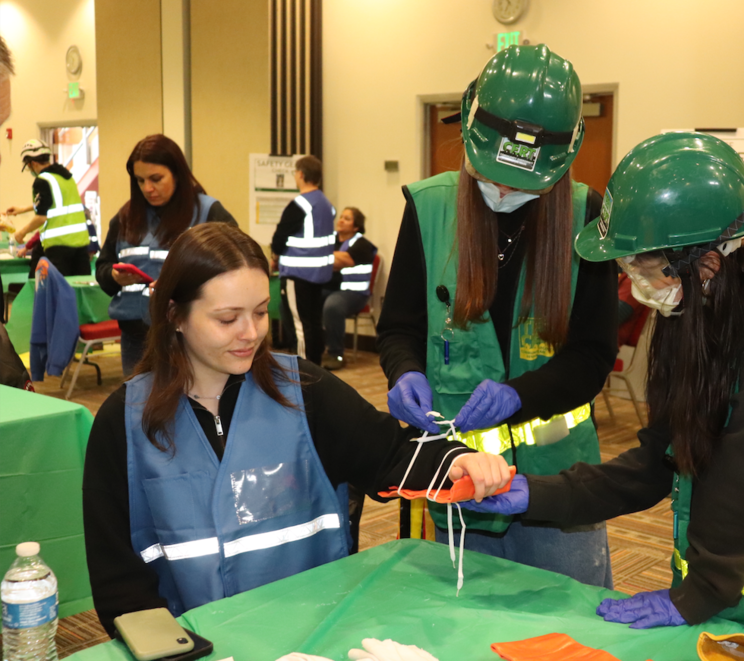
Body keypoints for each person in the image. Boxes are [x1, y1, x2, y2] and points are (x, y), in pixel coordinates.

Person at [464, 133, 744, 661]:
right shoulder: (691, 311)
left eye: (642, 267)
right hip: (734, 602)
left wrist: (697, 594)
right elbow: (662, 458)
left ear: (705, 264)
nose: (632, 287)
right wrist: (534, 493)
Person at [82, 223, 510, 636]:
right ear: (175, 314)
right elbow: (116, 575)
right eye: (228, 319)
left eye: (261, 312)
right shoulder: (124, 422)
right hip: (190, 647)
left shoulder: (304, 390)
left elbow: (390, 453)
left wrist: (457, 459)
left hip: (310, 637)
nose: (250, 334)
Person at [376, 44, 618, 588]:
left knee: (571, 632)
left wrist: (522, 396)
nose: (504, 190)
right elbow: (400, 328)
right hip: (459, 478)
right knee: (468, 634)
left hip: (558, 486)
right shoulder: (429, 207)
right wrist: (402, 370)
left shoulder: (585, 215)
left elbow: (593, 355)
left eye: (522, 183)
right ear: (466, 127)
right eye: (493, 176)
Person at [96, 134, 237, 376]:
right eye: (140, 181)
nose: (147, 188)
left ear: (177, 174)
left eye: (156, 179)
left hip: (188, 338)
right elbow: (103, 267)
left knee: (186, 407)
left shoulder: (208, 212)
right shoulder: (126, 216)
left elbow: (235, 268)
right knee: (139, 407)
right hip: (135, 337)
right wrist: (114, 276)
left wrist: (178, 285)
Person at [270, 156, 336, 366]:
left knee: (300, 325)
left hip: (298, 272)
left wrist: (274, 257)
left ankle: (305, 371)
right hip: (320, 273)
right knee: (314, 323)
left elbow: (280, 237)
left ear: (300, 174)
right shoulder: (326, 204)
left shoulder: (300, 204)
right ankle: (316, 366)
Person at [7, 140, 93, 277]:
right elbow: (56, 203)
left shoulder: (42, 180)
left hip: (59, 247)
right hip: (81, 243)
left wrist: (21, 232)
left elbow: (41, 217)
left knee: (59, 293)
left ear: (33, 163)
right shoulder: (65, 176)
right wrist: (23, 209)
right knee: (79, 289)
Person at [320, 206, 377, 371]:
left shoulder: (362, 244)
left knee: (332, 306)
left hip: (355, 294)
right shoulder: (330, 239)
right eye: (341, 217)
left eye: (347, 218)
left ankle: (335, 354)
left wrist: (323, 255)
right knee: (300, 298)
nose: (341, 220)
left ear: (356, 226)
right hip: (329, 289)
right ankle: (309, 349)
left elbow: (341, 261)